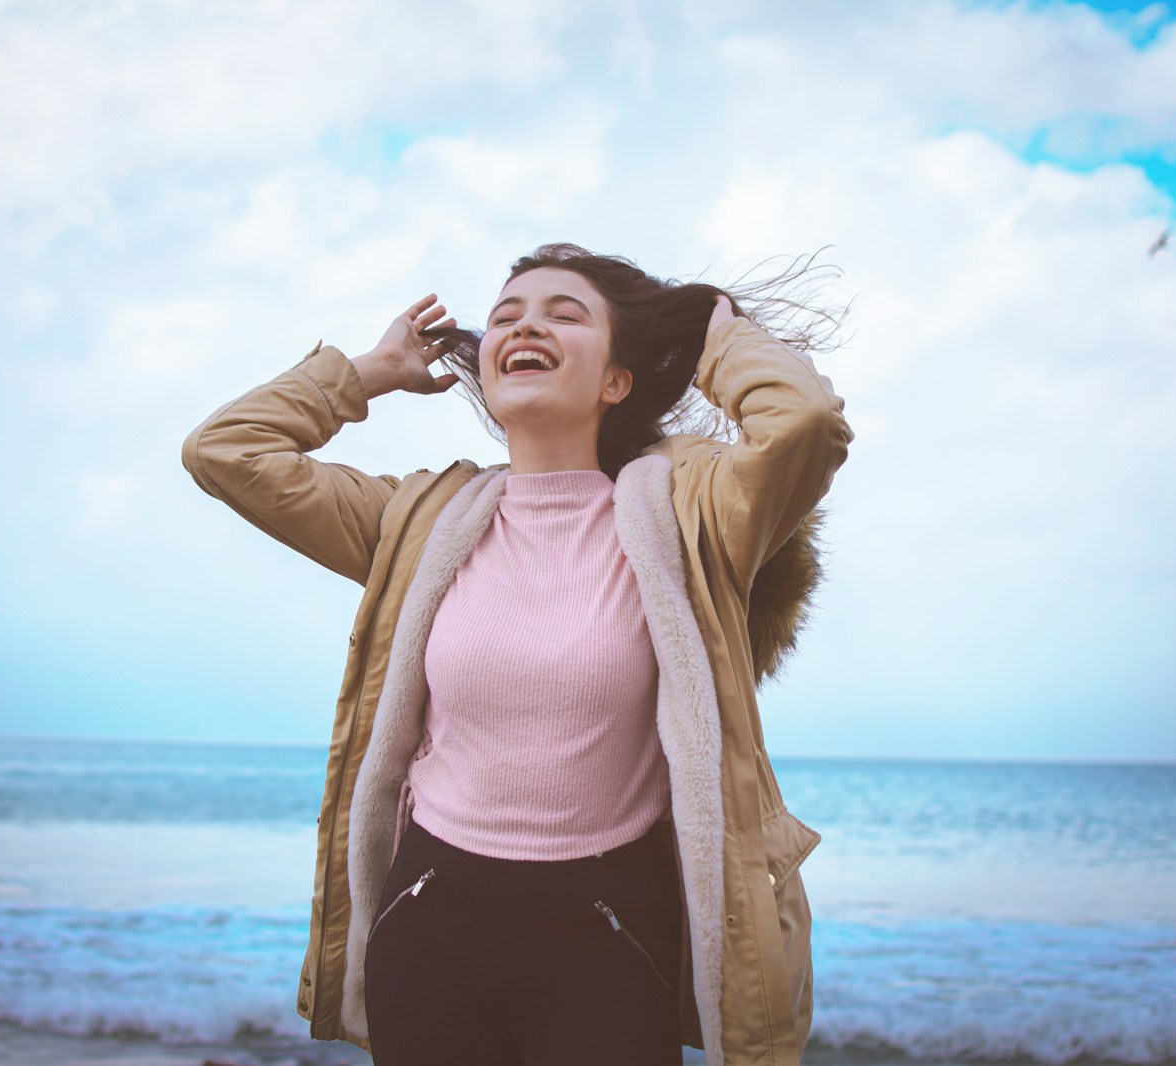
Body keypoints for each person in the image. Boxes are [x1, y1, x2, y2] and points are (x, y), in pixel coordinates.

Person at [181, 243, 854, 1066]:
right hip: (430, 921)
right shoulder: (419, 522)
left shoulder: (689, 522)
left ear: (616, 380)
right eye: (506, 316)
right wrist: (368, 372)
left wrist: (719, 338)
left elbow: (805, 425)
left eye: (564, 314)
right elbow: (226, 452)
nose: (525, 325)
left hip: (609, 933)